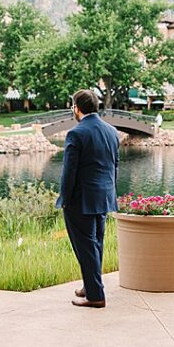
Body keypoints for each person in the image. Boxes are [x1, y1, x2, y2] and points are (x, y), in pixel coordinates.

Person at [56, 89, 120, 308]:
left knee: (85, 246)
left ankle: (95, 296)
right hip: (103, 197)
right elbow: (114, 166)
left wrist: (64, 198)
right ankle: (90, 285)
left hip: (81, 200)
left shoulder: (76, 133)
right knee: (96, 244)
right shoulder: (112, 131)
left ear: (76, 108)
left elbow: (69, 172)